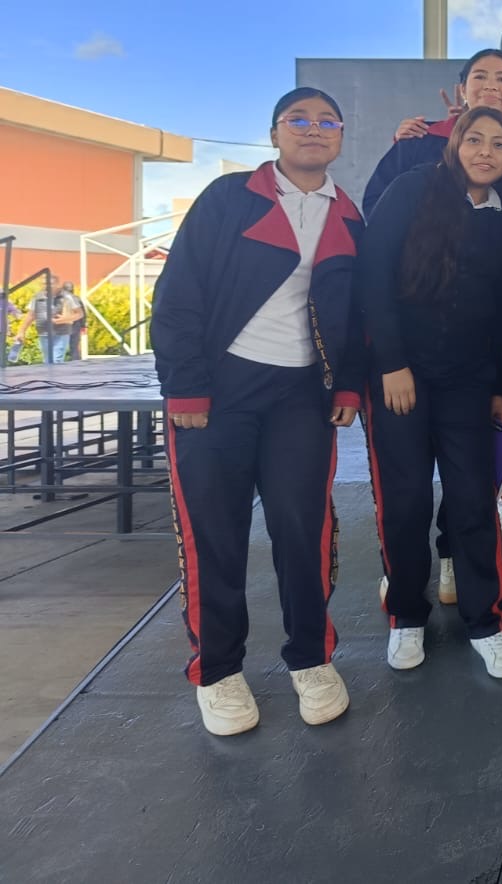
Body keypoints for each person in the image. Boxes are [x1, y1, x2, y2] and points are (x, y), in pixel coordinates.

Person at [151, 87, 364, 736]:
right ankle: (217, 669)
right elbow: (178, 294)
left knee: (303, 531)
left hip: (300, 396)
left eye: (327, 121)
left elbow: (356, 317)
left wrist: (346, 386)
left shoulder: (349, 216)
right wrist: (187, 388)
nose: (313, 129)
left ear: (340, 136)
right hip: (217, 395)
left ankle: (311, 658)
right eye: (298, 119)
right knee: (214, 535)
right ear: (274, 134)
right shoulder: (228, 199)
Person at [361, 107, 502, 680]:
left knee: (472, 501)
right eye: (475, 140)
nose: (486, 152)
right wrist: (392, 363)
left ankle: (486, 623)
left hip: (468, 382)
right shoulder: (412, 191)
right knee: (404, 501)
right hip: (402, 377)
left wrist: (498, 386)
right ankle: (407, 614)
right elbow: (373, 275)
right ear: (454, 144)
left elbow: (501, 310)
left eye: (499, 144)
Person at [367, 48, 502, 216]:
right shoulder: (419, 137)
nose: (490, 86)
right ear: (463, 89)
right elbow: (377, 201)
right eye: (480, 77)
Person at [60, 282, 87, 361]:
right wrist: (83, 325)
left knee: (61, 345)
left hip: (63, 325)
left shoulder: (59, 299)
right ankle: (76, 362)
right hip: (75, 325)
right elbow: (83, 313)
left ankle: (59, 362)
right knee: (74, 346)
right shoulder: (76, 299)